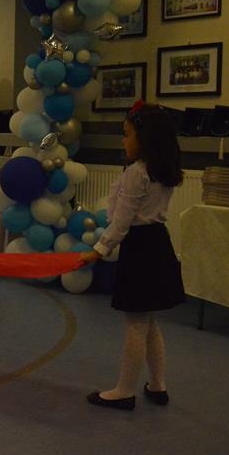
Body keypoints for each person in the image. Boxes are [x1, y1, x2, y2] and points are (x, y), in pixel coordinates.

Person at [79, 103, 185, 411]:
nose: (123, 140)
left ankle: (124, 391)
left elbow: (121, 221)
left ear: (145, 137)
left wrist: (98, 250)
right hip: (158, 244)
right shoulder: (161, 169)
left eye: (127, 134)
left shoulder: (138, 172)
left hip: (140, 249)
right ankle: (157, 384)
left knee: (136, 324)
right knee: (148, 321)